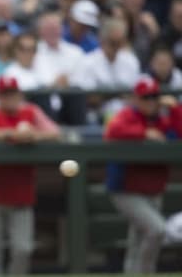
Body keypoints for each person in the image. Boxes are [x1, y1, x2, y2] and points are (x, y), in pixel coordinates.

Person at [0, 76, 60, 275]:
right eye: (5, 94)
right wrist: (11, 134)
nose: (9, 98)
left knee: (23, 248)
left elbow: (54, 132)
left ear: (19, 95)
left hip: (21, 191)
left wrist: (33, 135)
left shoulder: (31, 112)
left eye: (12, 94)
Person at [104, 77, 179, 274]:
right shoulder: (127, 115)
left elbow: (179, 132)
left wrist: (175, 109)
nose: (150, 102)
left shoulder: (162, 119)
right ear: (136, 99)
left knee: (138, 240)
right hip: (125, 189)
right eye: (146, 97)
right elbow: (112, 130)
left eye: (154, 97)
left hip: (153, 188)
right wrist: (144, 133)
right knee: (157, 230)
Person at [75, 18, 140, 90]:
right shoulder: (88, 62)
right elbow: (90, 97)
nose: (116, 48)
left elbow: (135, 92)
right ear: (102, 40)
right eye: (113, 43)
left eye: (120, 43)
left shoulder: (130, 60)